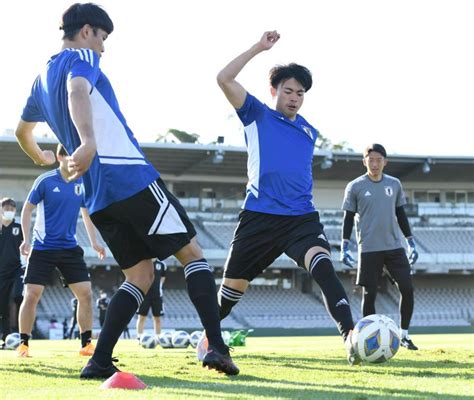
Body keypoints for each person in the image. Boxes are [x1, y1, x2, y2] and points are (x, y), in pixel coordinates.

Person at [15, 3, 238, 378]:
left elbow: (23, 131)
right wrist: (87, 142)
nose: (104, 48)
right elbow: (77, 91)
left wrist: (41, 155)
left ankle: (99, 360)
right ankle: (216, 345)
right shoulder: (80, 57)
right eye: (103, 38)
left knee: (139, 277)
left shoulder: (39, 79)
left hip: (99, 198)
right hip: (132, 179)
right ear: (87, 31)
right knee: (193, 255)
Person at [211, 31, 358, 365]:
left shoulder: (309, 131)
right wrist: (258, 49)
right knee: (230, 293)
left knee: (323, 266)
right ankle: (209, 336)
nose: (294, 97)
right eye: (289, 90)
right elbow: (223, 78)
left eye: (301, 93)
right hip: (260, 217)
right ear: (274, 91)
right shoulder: (256, 115)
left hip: (300, 218)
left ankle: (350, 335)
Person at [16, 144, 106, 358]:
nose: (74, 159)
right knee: (31, 295)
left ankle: (86, 345)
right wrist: (26, 239)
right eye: (69, 155)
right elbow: (27, 210)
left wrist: (94, 242)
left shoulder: (81, 183)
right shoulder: (45, 181)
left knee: (85, 294)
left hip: (69, 248)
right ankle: (23, 345)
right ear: (59, 157)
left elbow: (86, 214)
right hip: (43, 247)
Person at [340, 143, 419, 350]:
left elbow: (401, 214)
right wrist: (344, 245)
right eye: (370, 160)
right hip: (368, 248)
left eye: (378, 160)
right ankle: (368, 338)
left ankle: (404, 335)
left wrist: (410, 241)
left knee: (407, 288)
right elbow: (347, 217)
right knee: (369, 293)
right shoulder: (355, 186)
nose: (374, 164)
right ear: (364, 161)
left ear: (385, 162)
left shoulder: (394, 184)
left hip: (394, 247)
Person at [0, 198, 24, 348]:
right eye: (6, 207)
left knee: (17, 296)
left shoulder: (19, 227)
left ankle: (21, 333)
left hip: (17, 269)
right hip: (1, 272)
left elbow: (26, 247)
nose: (9, 210)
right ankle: (5, 337)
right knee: (2, 307)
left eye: (12, 207)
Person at [136, 259, 167, 342]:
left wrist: (160, 286)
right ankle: (139, 337)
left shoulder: (162, 264)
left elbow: (163, 276)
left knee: (157, 318)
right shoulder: (143, 262)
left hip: (157, 295)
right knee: (142, 317)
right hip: (144, 295)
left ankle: (158, 338)